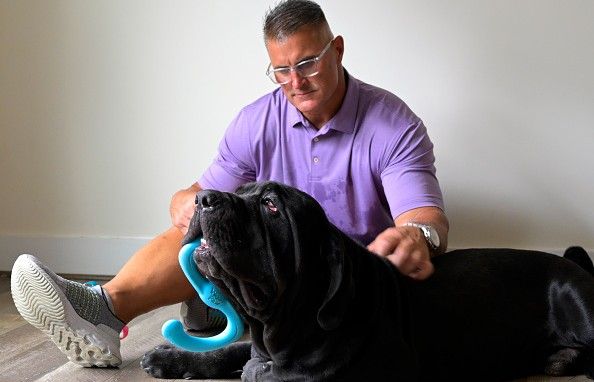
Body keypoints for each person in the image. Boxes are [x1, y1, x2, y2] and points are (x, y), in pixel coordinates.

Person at [11, 0, 449, 368]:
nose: (296, 82)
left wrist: (416, 235)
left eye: (308, 63)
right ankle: (104, 310)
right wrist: (184, 201)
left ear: (336, 50)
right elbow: (205, 194)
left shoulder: (393, 123)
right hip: (278, 280)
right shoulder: (255, 120)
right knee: (203, 220)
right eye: (281, 70)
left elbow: (424, 218)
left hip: (345, 286)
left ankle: (215, 316)